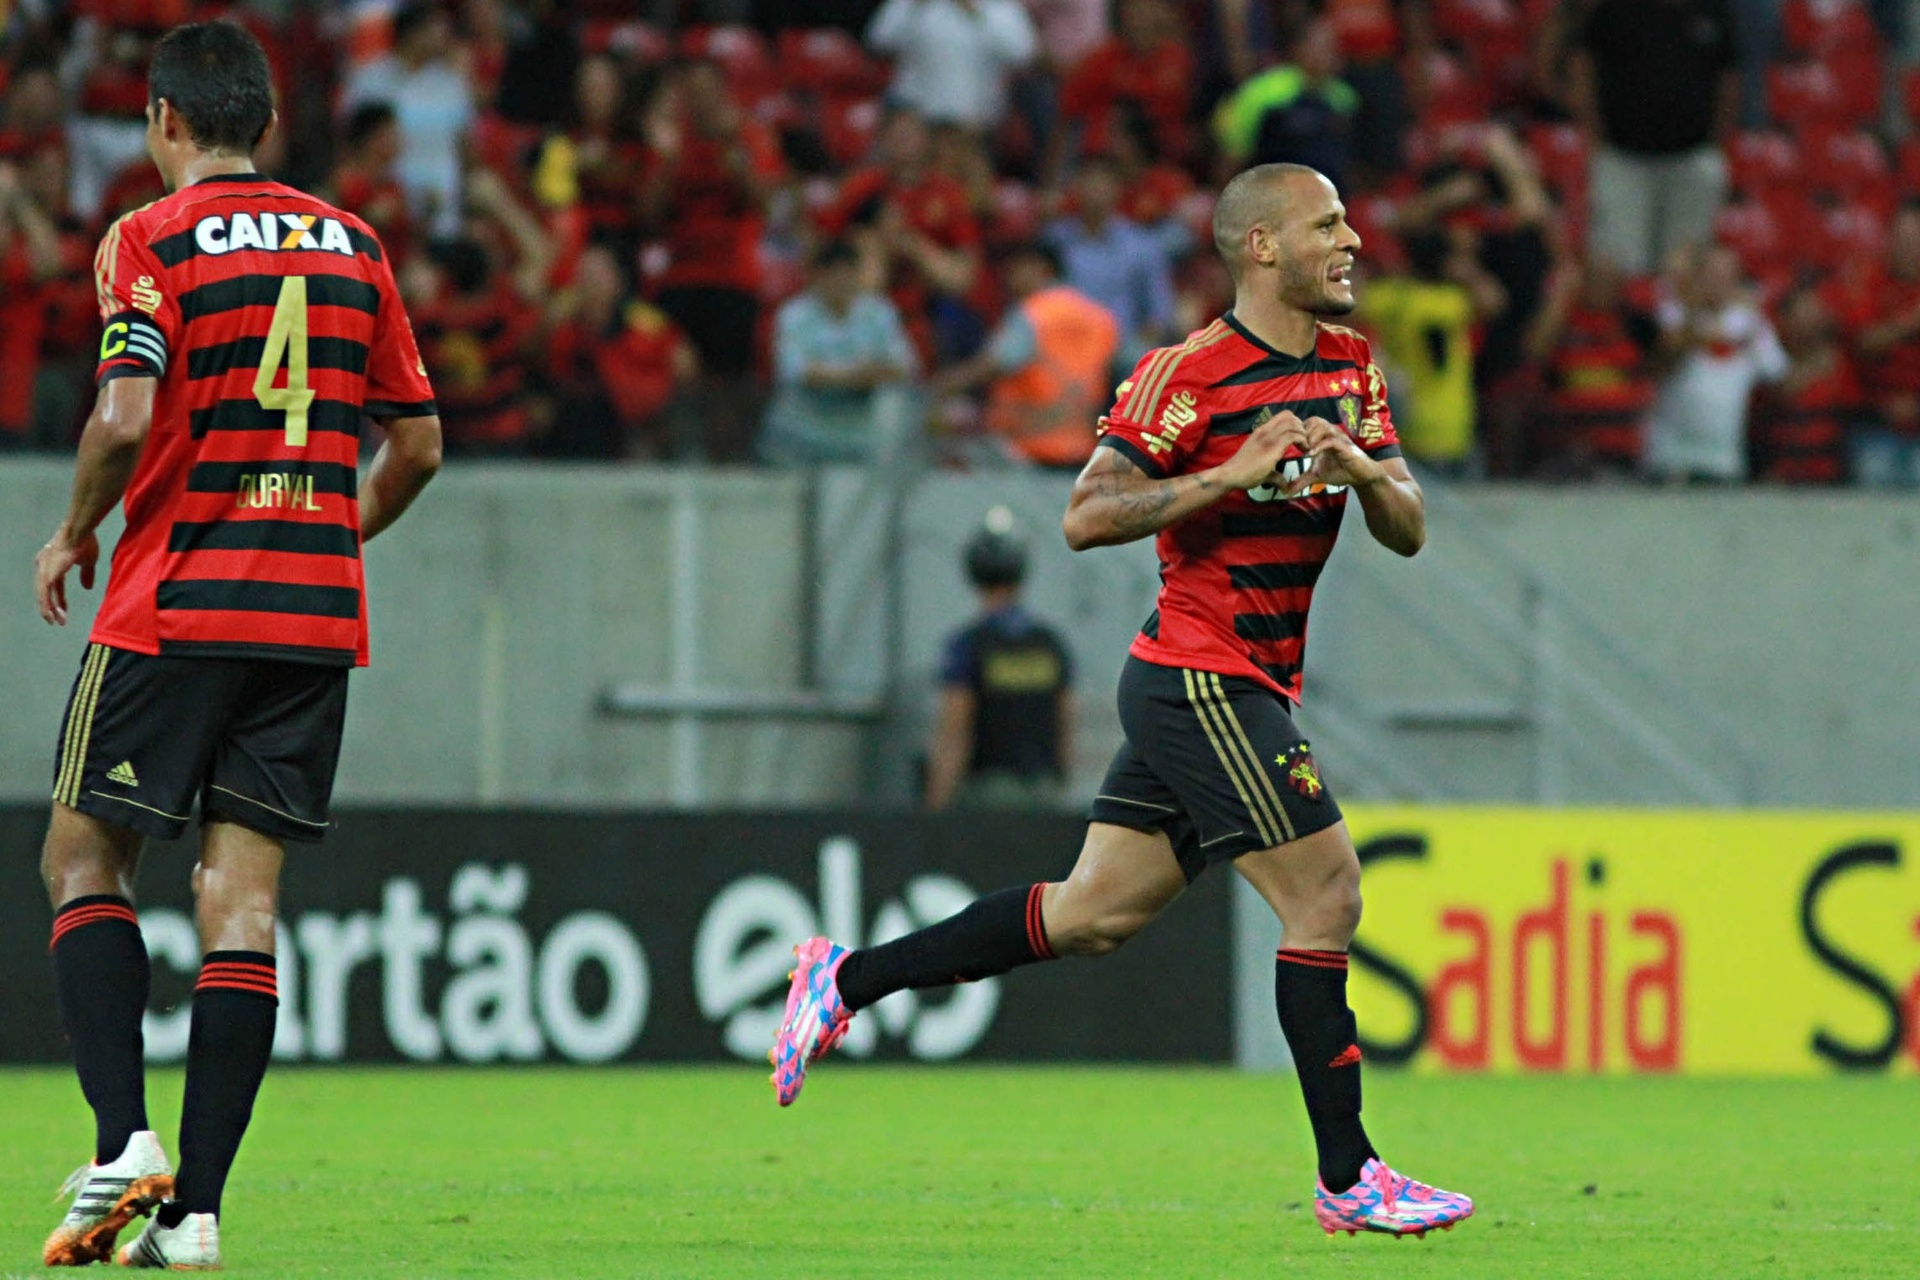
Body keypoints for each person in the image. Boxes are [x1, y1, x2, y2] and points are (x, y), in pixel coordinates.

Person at [771, 163, 1474, 1241]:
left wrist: (1364, 471)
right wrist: (1227, 475)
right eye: (1327, 224)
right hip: (1200, 674)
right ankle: (1351, 1176)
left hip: (1242, 679)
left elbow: (1410, 527)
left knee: (1092, 914)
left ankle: (844, 979)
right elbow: (1086, 514)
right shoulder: (1184, 374)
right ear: (1262, 247)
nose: (1353, 242)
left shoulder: (1350, 366)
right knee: (1326, 894)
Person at [32, 22, 441, 1270]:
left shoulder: (147, 239)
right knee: (243, 902)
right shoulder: (357, 244)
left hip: (178, 601)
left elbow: (123, 415)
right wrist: (329, 529)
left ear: (163, 119)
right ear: (264, 122)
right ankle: (195, 1214)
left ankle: (123, 1140)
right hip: (310, 618)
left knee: (81, 859)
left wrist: (72, 529)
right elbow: (418, 444)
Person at [1568, 0, 1738, 275]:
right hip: (1623, 158)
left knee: (1685, 267)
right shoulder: (1616, 9)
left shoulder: (1712, 11)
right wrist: (1593, 131)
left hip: (1691, 159)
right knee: (1618, 262)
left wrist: (1715, 144)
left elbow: (1729, 80)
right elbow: (1584, 64)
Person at [927, 512, 1074, 810]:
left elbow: (955, 731)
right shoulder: (1049, 643)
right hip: (1044, 791)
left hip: (989, 794)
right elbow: (1066, 722)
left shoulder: (969, 645)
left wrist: (936, 803)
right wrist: (1062, 780)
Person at [931, 240, 1119, 468]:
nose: (1008, 278)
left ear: (1040, 268)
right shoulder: (1099, 316)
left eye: (1016, 269)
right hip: (1080, 446)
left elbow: (994, 363)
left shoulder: (1034, 313)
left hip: (1027, 445)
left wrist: (939, 387)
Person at [1358, 226, 1505, 471]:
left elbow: (1349, 299)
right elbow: (1495, 301)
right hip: (1452, 427)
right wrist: (1468, 272)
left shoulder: (1387, 298)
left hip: (1404, 425)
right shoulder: (1450, 302)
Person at [761, 239, 918, 465]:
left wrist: (834, 375)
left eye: (848, 273)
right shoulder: (794, 314)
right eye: (833, 273)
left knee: (898, 404)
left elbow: (904, 367)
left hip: (865, 426)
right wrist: (859, 375)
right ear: (817, 276)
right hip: (807, 425)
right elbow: (793, 371)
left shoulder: (879, 312)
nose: (841, 281)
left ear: (858, 274)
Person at [1645, 242, 1786, 483]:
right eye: (1711, 274)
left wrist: (1752, 326)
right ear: (1696, 277)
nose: (1717, 283)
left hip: (1724, 463)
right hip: (1671, 461)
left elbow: (1777, 375)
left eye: (1726, 275)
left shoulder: (1749, 323)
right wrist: (1698, 319)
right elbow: (1665, 361)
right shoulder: (1672, 315)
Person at [341, 2, 476, 241]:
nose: (443, 35)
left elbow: (466, 150)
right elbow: (349, 144)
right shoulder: (369, 81)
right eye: (436, 28)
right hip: (382, 214)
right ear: (413, 34)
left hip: (442, 212)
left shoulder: (451, 85)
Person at [1045, 153, 1177, 368]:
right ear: (1076, 188)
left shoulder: (1142, 245)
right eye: (1089, 182)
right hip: (1068, 343)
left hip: (1122, 345)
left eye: (1104, 183)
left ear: (1118, 189)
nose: (1096, 190)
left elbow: (1159, 312)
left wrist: (1144, 346)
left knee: (1138, 360)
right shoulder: (1055, 241)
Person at [1212, 20, 1357, 194]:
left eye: (1333, 47)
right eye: (1322, 46)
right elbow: (1233, 153)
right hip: (1272, 196)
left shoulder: (1344, 98)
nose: (1330, 53)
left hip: (1326, 198)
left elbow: (1347, 160)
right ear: (1298, 48)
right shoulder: (1262, 92)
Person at [1841, 200, 1920, 487]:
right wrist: (1910, 322)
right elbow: (1864, 343)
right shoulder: (1867, 281)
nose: (1908, 247)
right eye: (1902, 238)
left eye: (1915, 239)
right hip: (1874, 422)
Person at [865, 0, 1038, 131]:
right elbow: (878, 40)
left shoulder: (1001, 7)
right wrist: (916, 6)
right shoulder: (910, 3)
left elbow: (1023, 54)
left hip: (974, 122)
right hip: (916, 118)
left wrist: (974, 12)